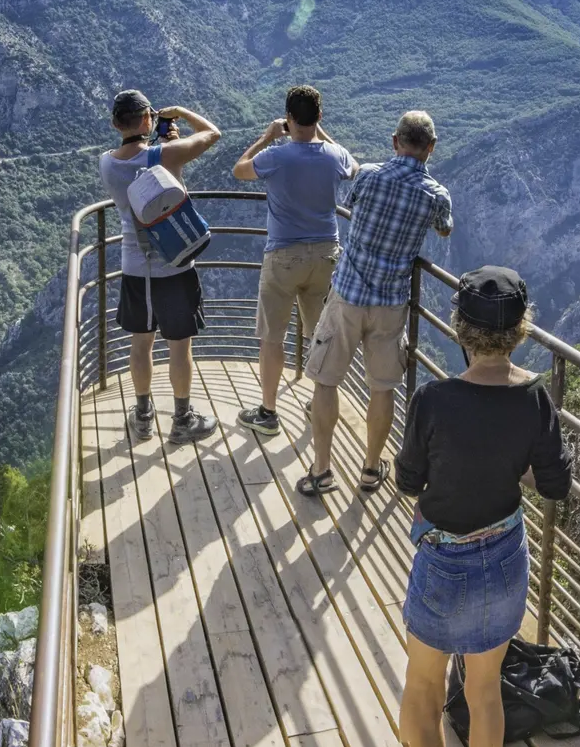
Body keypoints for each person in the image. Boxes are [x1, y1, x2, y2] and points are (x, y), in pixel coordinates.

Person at [394, 267, 572, 747]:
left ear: (460, 329)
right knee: (484, 690)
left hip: (444, 562)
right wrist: (510, 464)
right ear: (520, 329)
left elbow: (408, 480)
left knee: (423, 691)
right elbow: (555, 484)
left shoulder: (433, 399)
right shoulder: (535, 397)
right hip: (505, 559)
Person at [298, 110, 451, 497]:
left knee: (326, 381)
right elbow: (445, 229)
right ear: (431, 148)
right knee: (382, 389)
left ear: (395, 141)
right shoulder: (436, 194)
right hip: (391, 305)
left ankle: (321, 470)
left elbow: (351, 202)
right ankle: (370, 469)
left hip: (347, 296)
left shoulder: (368, 175)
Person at [230, 85, 358, 437]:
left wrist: (267, 136)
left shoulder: (277, 155)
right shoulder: (334, 155)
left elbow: (239, 170)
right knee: (320, 334)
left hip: (283, 255)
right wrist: (322, 134)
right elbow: (354, 166)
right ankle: (319, 403)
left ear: (288, 118)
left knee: (272, 337)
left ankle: (268, 413)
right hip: (326, 254)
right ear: (319, 117)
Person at [100, 89, 223, 444]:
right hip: (175, 266)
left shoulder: (106, 163)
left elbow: (139, 168)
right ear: (146, 119)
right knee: (179, 347)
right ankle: (182, 420)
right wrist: (180, 113)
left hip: (134, 267)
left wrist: (166, 148)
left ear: (115, 124)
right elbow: (213, 133)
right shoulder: (167, 155)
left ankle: (142, 417)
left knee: (141, 344)